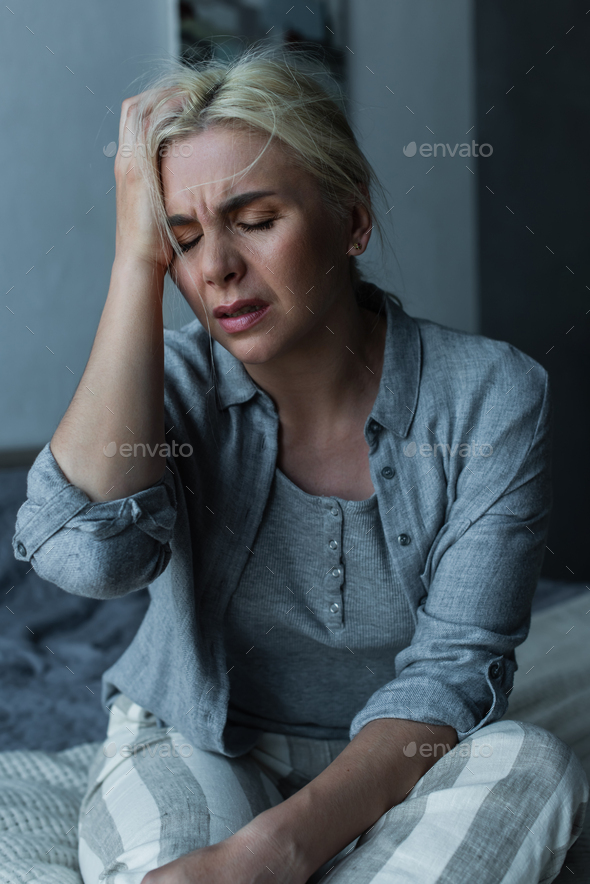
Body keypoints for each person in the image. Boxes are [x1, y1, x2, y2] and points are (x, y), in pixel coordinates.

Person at [12, 44, 587, 884]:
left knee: (538, 769)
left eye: (255, 219)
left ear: (352, 221)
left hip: (400, 759)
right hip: (195, 735)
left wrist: (270, 853)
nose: (215, 268)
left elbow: (452, 680)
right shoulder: (169, 388)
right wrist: (134, 263)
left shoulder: (492, 398)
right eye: (181, 238)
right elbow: (90, 559)